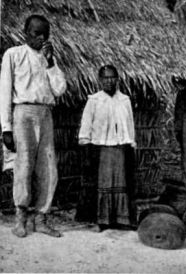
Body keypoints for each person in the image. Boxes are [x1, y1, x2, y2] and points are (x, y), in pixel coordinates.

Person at [0, 15, 67, 238]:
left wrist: (50, 63)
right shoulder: (14, 54)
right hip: (23, 114)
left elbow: (59, 90)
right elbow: (5, 92)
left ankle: (41, 218)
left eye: (45, 34)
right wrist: (6, 128)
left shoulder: (50, 60)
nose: (41, 38)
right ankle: (20, 218)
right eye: (36, 33)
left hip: (45, 113)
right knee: (23, 166)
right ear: (25, 32)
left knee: (48, 168)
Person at [78, 65, 136, 231]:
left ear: (117, 79)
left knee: (122, 183)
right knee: (102, 184)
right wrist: (86, 145)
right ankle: (101, 220)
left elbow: (130, 125)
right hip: (101, 149)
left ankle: (122, 220)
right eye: (105, 78)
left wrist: (131, 142)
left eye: (112, 77)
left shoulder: (125, 100)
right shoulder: (94, 100)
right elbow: (86, 125)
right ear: (100, 80)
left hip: (120, 148)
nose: (109, 81)